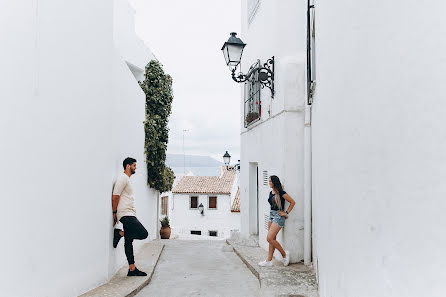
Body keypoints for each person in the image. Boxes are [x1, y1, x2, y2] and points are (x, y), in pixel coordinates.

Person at [112, 157, 149, 276]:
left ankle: (132, 269)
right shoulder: (122, 178)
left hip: (128, 213)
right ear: (128, 166)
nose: (135, 168)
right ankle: (119, 233)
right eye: (134, 165)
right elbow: (115, 196)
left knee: (129, 242)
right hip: (126, 214)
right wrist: (114, 212)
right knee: (143, 233)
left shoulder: (126, 179)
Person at [258, 175, 296, 267]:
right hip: (271, 215)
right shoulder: (271, 192)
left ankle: (284, 254)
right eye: (269, 181)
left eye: (270, 181)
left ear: (275, 182)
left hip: (278, 216)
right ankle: (269, 261)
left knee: (269, 238)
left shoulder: (282, 193)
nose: (269, 183)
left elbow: (292, 202)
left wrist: (286, 213)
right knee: (272, 239)